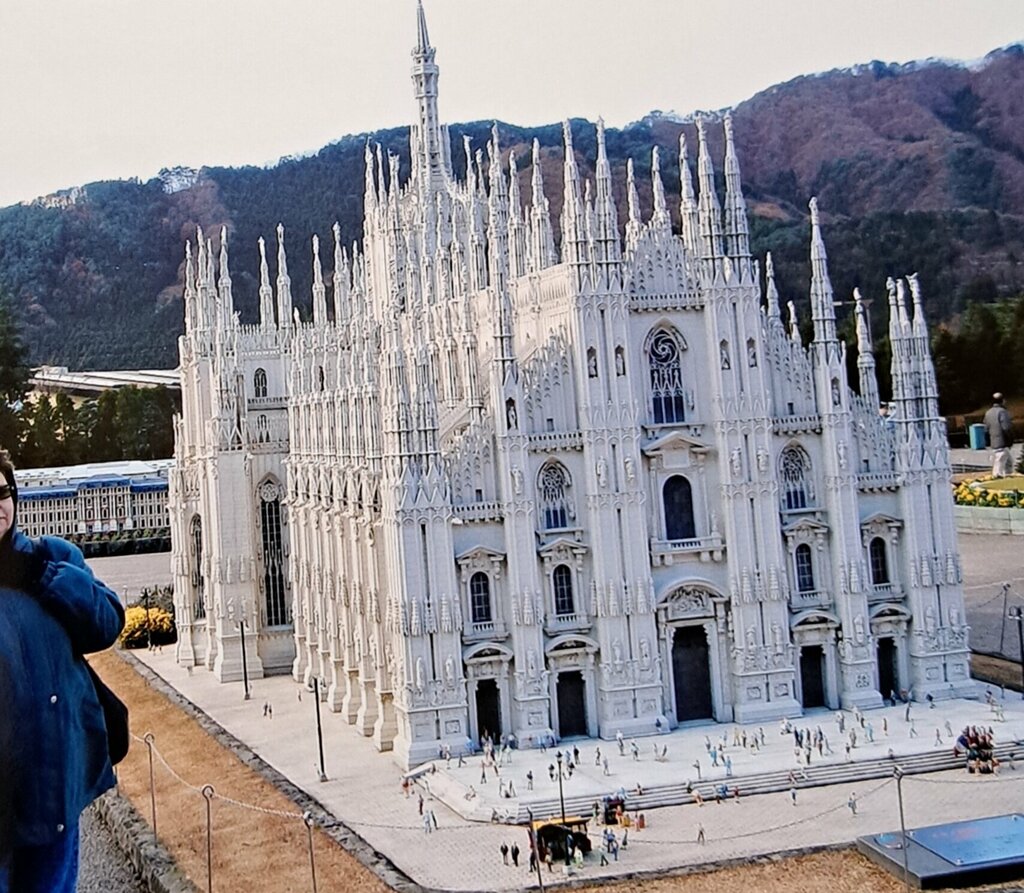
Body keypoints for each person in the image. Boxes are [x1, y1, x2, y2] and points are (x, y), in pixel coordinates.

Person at [0, 450, 125, 893]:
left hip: (51, 793)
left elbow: (108, 622)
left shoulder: (52, 556)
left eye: (4, 492)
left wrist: (47, 575)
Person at [984, 393, 1014, 478]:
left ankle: (1009, 477)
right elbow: (1006, 428)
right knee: (999, 466)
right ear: (1003, 401)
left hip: (994, 442)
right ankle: (998, 479)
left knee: (1008, 463)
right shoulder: (1002, 412)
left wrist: (988, 441)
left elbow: (986, 429)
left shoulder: (988, 413)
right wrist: (1010, 440)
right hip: (1003, 442)